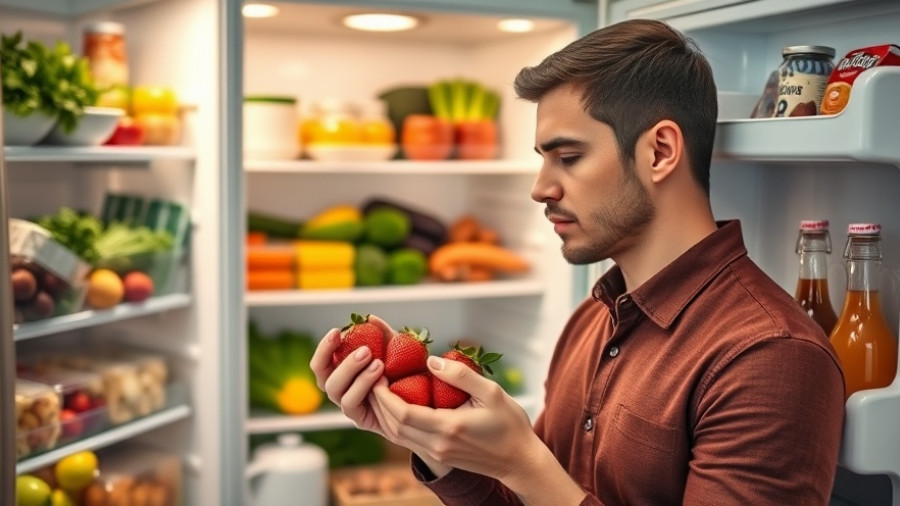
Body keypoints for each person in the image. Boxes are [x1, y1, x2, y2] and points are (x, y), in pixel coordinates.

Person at [310, 18, 845, 505]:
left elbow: (536, 479)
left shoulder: (769, 355)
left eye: (568, 158)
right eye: (542, 160)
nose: (541, 188)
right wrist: (433, 444)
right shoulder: (593, 320)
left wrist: (523, 460)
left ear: (659, 152)